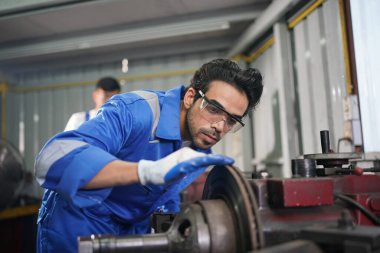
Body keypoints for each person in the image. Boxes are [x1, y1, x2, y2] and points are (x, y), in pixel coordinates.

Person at [34, 58, 263, 252]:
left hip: (130, 231)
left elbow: (163, 198)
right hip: (76, 225)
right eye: (214, 109)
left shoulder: (198, 149)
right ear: (190, 97)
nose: (220, 127)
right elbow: (51, 159)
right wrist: (145, 171)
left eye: (232, 120)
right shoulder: (136, 112)